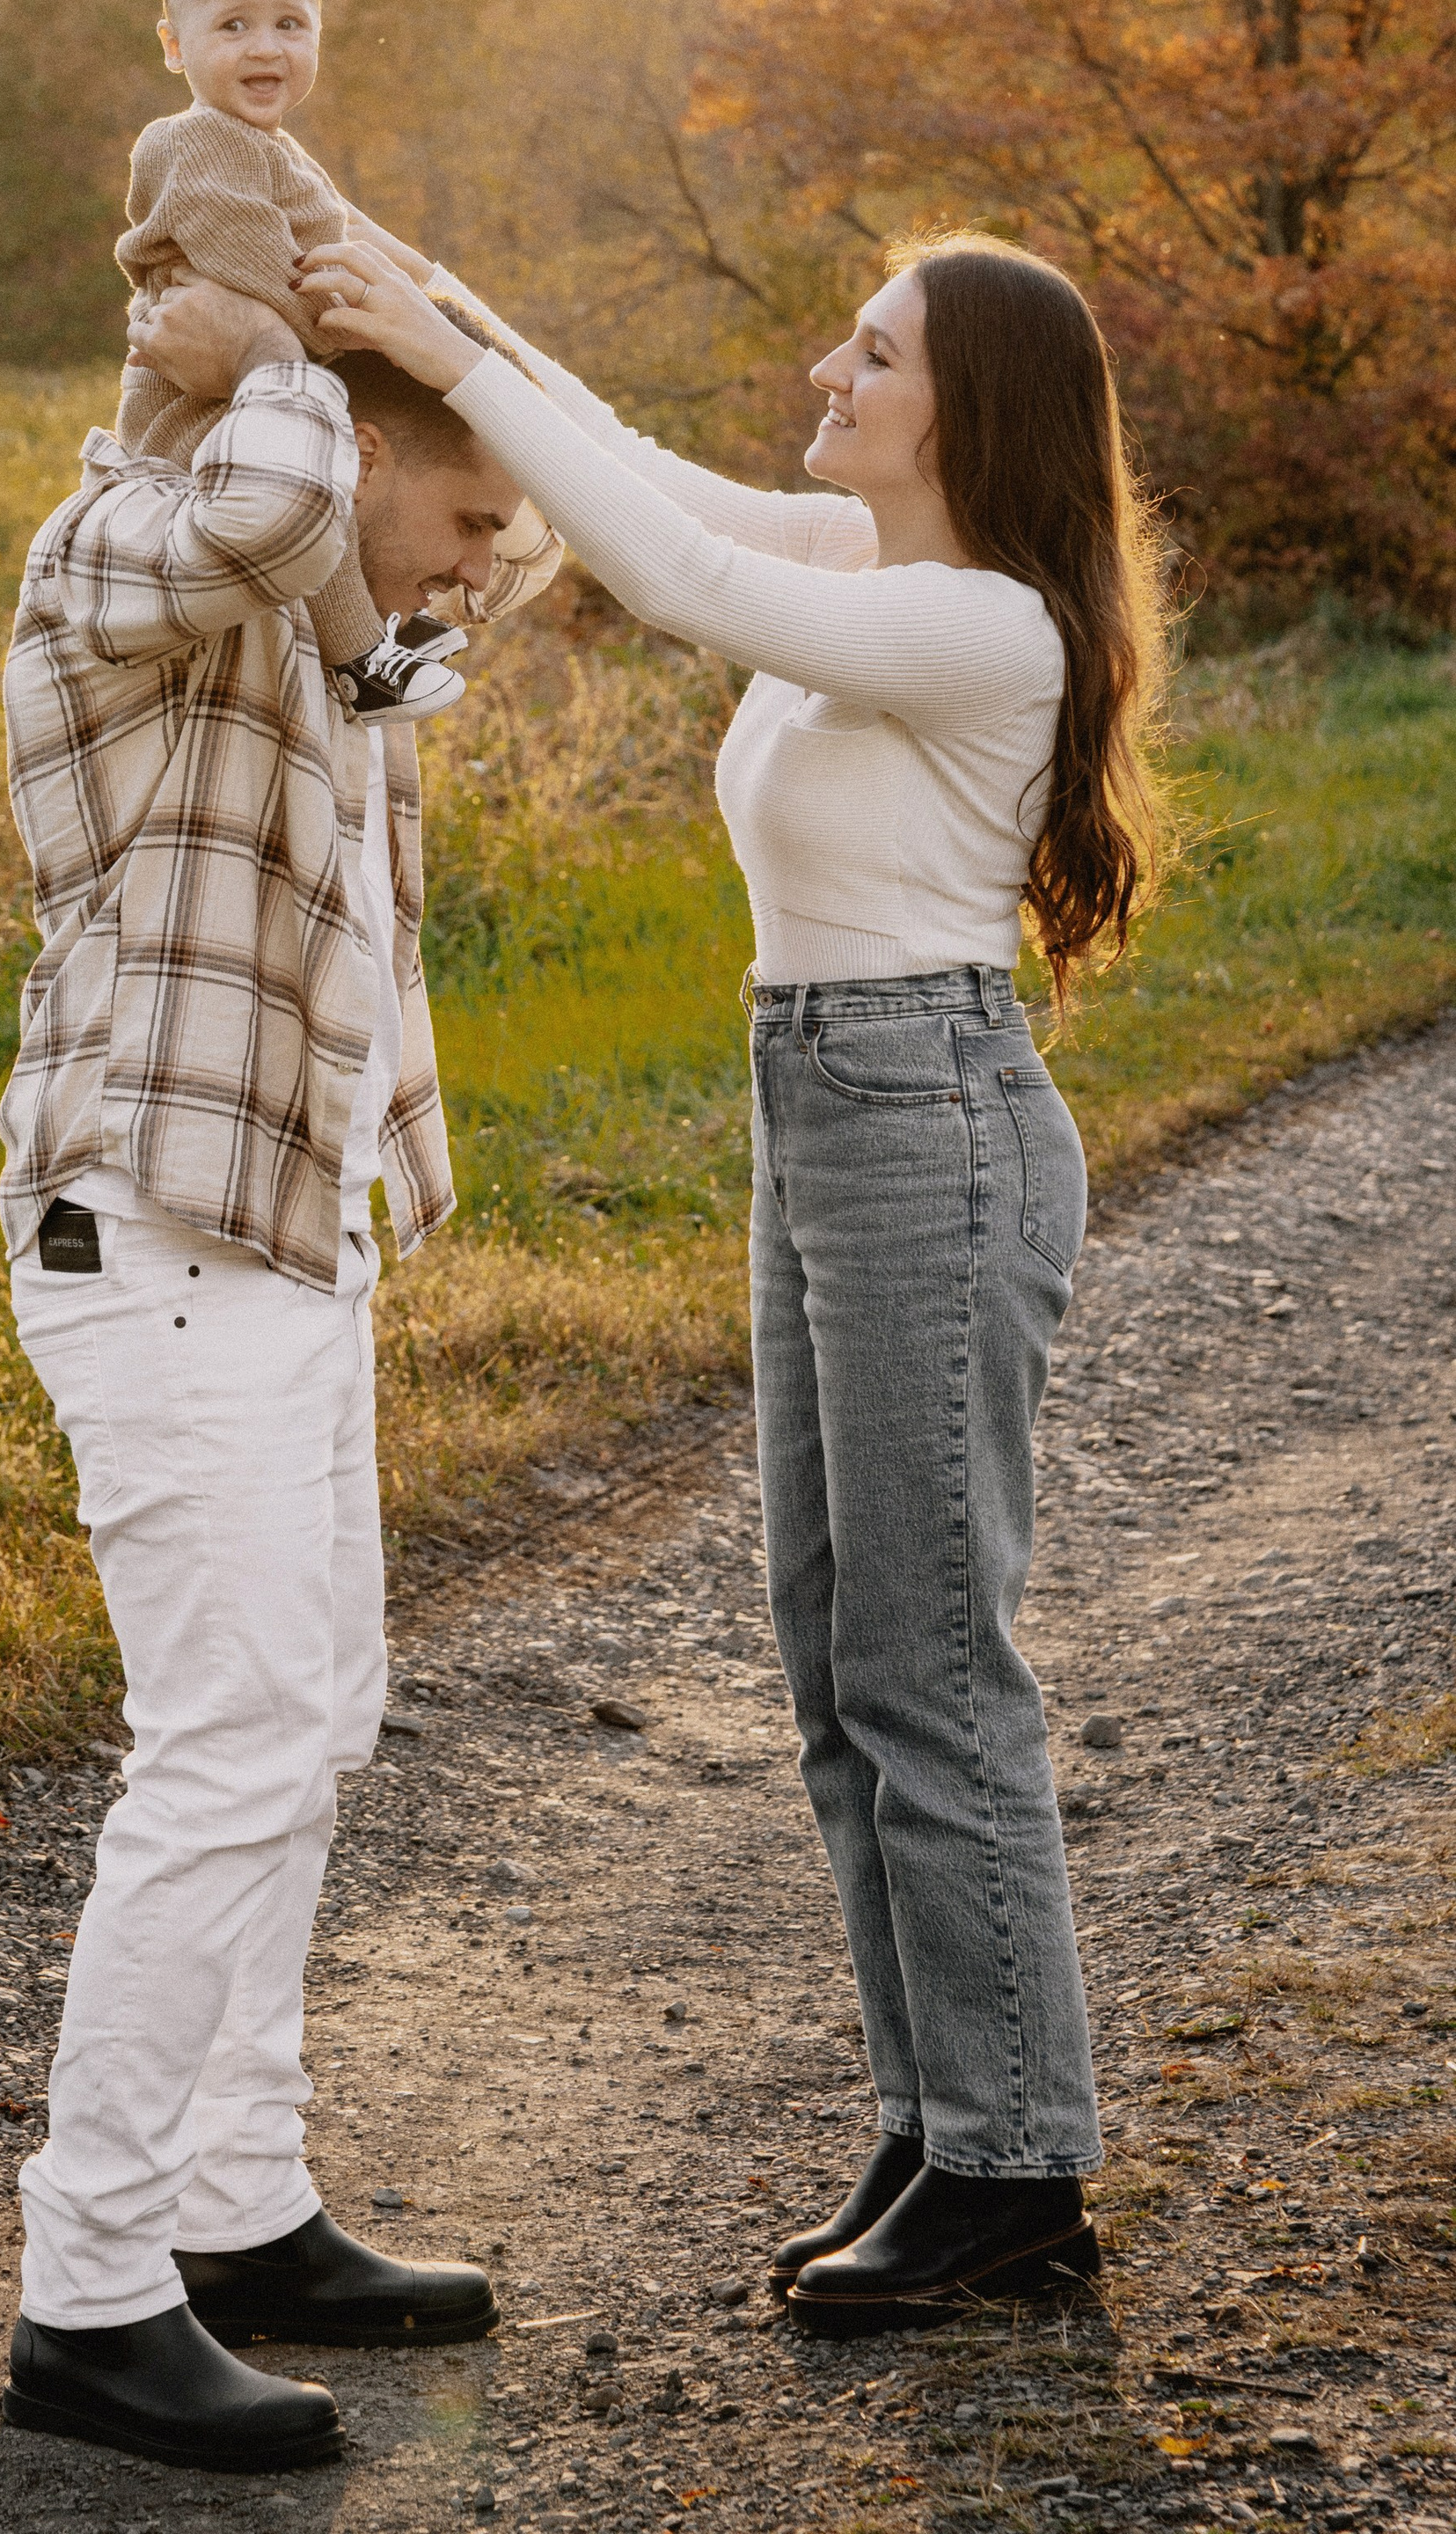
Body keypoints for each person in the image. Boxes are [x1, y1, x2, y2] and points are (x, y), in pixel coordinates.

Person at [281, 225, 1167, 2340]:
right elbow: (626, 469)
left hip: (924, 1116)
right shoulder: (867, 555)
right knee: (835, 1657)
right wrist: (426, 288)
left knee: (925, 1662)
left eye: (873, 354)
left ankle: (1014, 2166)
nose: (827, 372)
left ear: (966, 411)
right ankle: (938, 2122)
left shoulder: (974, 620)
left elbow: (670, 576)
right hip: (831, 1104)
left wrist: (433, 354)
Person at [0, 275, 559, 2470]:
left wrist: (388, 337)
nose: (483, 561)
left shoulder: (322, 640)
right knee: (222, 1746)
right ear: (344, 450)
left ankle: (234, 2202)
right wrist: (279, 364)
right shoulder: (124, 553)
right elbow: (259, 510)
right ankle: (89, 2289)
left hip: (285, 1244)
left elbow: (390, 595)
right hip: (149, 1238)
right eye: (465, 514)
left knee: (309, 1723)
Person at [113, 0, 473, 725]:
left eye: (290, 23)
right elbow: (250, 261)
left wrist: (416, 314)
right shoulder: (194, 140)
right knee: (317, 486)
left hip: (262, 383)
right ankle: (359, 662)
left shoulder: (269, 148)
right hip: (196, 401)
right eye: (233, 25)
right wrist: (353, 329)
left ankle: (375, 624)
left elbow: (333, 236)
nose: (266, 47)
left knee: (351, 473)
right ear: (174, 44)